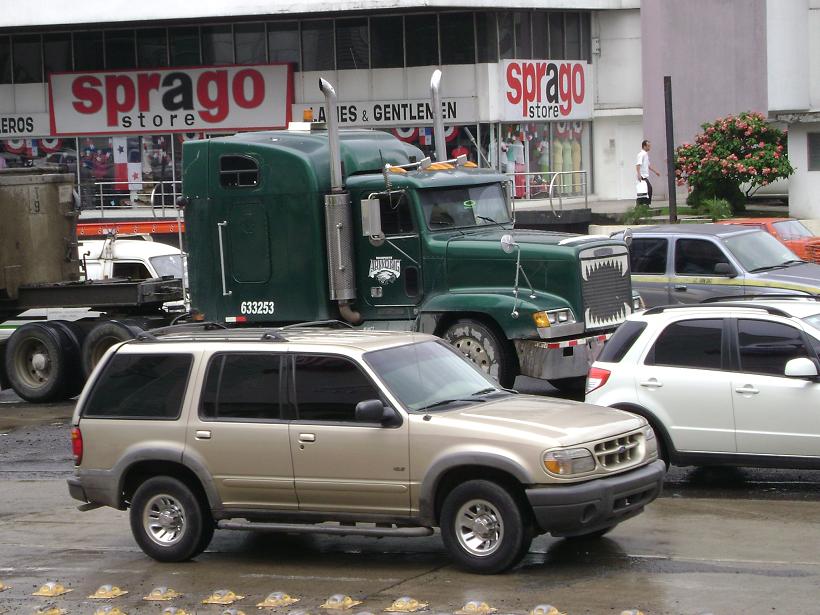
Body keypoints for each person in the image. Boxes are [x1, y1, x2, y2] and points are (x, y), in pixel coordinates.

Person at [636, 139, 661, 204]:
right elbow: (638, 164)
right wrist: (639, 174)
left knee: (644, 190)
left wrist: (656, 172)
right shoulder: (641, 154)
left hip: (645, 176)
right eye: (648, 146)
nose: (649, 147)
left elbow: (648, 166)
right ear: (644, 146)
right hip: (642, 176)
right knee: (648, 189)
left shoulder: (646, 154)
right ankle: (646, 204)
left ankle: (641, 204)